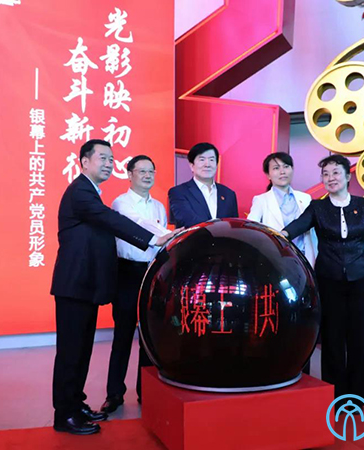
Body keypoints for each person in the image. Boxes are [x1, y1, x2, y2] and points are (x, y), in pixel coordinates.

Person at [50, 139, 178, 435]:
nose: (109, 163)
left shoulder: (91, 192)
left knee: (81, 350)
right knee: (71, 352)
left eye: (111, 159)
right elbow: (111, 220)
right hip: (74, 285)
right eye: (103, 158)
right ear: (84, 162)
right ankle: (64, 415)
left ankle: (76, 404)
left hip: (85, 286)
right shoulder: (81, 192)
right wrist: (152, 238)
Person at [282, 154, 364, 408]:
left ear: (348, 177)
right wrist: (278, 234)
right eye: (325, 174)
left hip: (361, 280)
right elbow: (297, 226)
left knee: (358, 340)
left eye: (336, 173)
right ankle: (336, 398)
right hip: (328, 280)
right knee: (332, 340)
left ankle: (357, 399)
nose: (330, 178)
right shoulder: (318, 207)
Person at [101, 155, 168, 414]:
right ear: (129, 175)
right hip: (127, 273)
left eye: (151, 171)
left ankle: (145, 392)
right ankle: (114, 393)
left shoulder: (159, 207)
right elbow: (137, 227)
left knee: (149, 337)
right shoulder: (121, 203)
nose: (147, 176)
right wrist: (162, 235)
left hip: (151, 272)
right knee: (123, 334)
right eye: (142, 171)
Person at [247, 152, 318, 268]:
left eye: (286, 166)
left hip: (304, 261)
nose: (282, 171)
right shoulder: (261, 200)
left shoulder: (305, 198)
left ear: (292, 169)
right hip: (274, 260)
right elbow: (250, 230)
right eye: (276, 168)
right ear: (268, 175)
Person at [168, 142, 238, 228]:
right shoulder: (178, 192)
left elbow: (234, 227)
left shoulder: (229, 194)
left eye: (211, 160)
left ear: (216, 165)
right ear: (191, 166)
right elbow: (188, 221)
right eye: (202, 159)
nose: (207, 164)